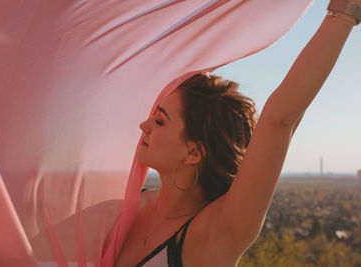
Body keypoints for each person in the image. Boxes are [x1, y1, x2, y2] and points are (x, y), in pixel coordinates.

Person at [114, 0, 361, 266]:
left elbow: (279, 121)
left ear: (194, 152)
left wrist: (346, 10)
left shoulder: (217, 234)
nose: (144, 125)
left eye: (160, 121)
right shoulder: (125, 204)